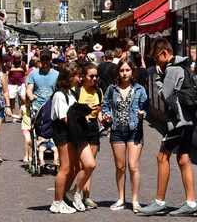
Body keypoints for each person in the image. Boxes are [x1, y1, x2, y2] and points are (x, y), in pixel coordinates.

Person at [137, 38, 197, 217]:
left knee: (162, 157)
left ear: (165, 53)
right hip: (188, 120)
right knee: (183, 159)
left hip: (177, 122)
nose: (156, 63)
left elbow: (164, 94)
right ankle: (191, 203)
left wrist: (157, 78)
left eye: (157, 58)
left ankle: (159, 202)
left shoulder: (171, 69)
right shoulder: (184, 65)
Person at [101, 57, 147, 212]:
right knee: (120, 167)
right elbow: (105, 104)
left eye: (127, 70)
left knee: (133, 166)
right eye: (122, 70)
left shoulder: (139, 89)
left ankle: (135, 200)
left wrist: (142, 113)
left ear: (132, 72)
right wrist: (107, 115)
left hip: (134, 130)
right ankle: (121, 198)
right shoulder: (112, 89)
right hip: (117, 131)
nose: (124, 73)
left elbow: (145, 106)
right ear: (118, 72)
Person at [50, 63, 96, 214]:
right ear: (70, 77)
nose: (80, 78)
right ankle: (57, 202)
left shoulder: (71, 93)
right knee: (65, 168)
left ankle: (72, 193)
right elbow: (66, 119)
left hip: (75, 133)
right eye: (78, 76)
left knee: (89, 164)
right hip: (64, 134)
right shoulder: (59, 95)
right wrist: (83, 112)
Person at [74, 63, 103, 209]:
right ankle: (76, 194)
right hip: (80, 127)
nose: (94, 78)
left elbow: (99, 111)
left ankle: (86, 197)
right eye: (91, 76)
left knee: (90, 166)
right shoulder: (77, 90)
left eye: (96, 76)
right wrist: (81, 116)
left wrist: (103, 119)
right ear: (84, 76)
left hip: (93, 127)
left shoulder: (98, 91)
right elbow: (72, 110)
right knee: (82, 165)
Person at [7, 50, 27, 122]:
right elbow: (7, 74)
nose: (17, 60)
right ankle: (14, 116)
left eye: (19, 58)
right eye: (16, 58)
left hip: (21, 83)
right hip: (12, 84)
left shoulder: (23, 64)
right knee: (12, 100)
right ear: (13, 57)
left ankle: (22, 115)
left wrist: (26, 83)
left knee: (23, 99)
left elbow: (25, 74)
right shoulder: (9, 64)